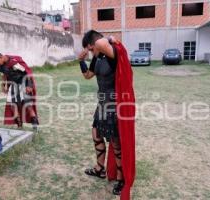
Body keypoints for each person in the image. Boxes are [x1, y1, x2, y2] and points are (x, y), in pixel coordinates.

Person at [78, 30, 136, 199]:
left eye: (90, 49)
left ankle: (120, 180)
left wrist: (108, 39)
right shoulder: (98, 57)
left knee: (116, 144)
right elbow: (88, 76)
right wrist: (81, 61)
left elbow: (101, 43)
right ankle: (99, 169)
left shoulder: (112, 53)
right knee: (96, 134)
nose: (90, 52)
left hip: (114, 104)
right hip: (102, 103)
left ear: (93, 44)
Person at [0, 50, 39, 130]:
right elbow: (4, 75)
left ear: (0, 57)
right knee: (12, 106)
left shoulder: (14, 62)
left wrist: (29, 85)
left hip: (24, 83)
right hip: (13, 85)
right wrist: (4, 85)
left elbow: (27, 73)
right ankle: (20, 127)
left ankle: (35, 128)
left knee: (27, 105)